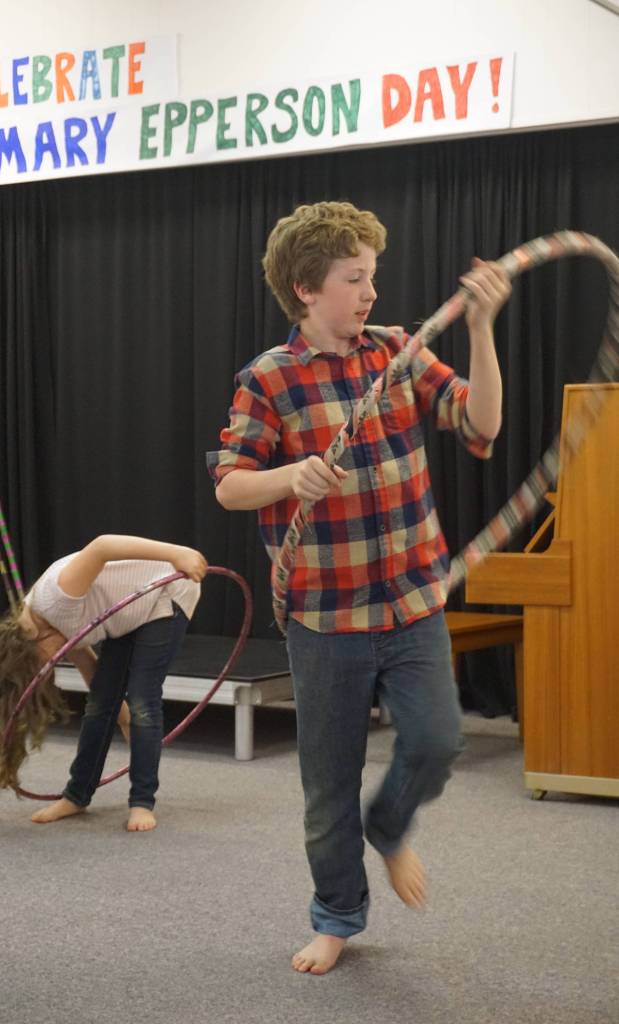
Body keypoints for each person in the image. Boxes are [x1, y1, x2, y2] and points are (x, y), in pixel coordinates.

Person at [207, 201, 509, 973]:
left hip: (411, 602)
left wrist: (479, 328)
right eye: (354, 278)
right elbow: (230, 487)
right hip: (323, 617)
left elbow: (481, 429)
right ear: (307, 289)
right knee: (326, 785)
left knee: (438, 740)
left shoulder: (398, 354)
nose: (370, 291)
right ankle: (337, 915)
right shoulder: (269, 379)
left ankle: (390, 824)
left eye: (372, 275)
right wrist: (290, 476)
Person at [0, 534, 207, 832]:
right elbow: (94, 675)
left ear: (28, 647)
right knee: (98, 707)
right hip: (127, 611)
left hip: (166, 591)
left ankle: (142, 802)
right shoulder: (50, 630)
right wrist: (121, 717)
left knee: (143, 699)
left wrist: (178, 553)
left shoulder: (58, 600)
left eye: (41, 665)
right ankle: (77, 795)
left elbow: (102, 546)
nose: (49, 668)